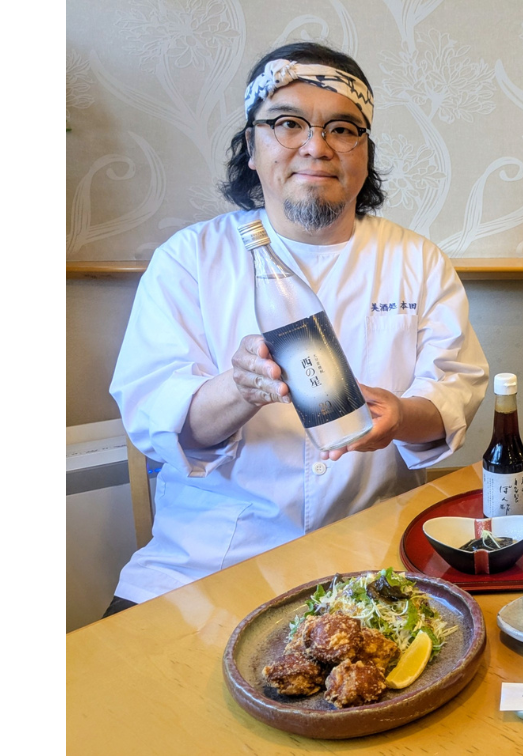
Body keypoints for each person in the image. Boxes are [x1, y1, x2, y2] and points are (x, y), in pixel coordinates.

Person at [106, 43, 489, 614]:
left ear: (365, 153)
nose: (316, 146)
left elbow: (455, 389)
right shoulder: (189, 259)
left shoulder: (417, 260)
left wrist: (401, 415)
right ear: (252, 147)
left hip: (370, 553)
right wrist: (240, 388)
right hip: (206, 563)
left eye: (342, 128)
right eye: (288, 124)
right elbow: (156, 415)